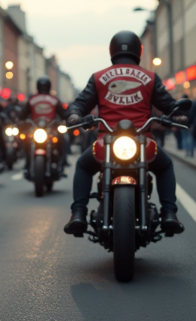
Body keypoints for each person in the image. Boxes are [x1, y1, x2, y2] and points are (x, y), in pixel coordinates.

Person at [64, 31, 185, 236]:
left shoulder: (99, 77)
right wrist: (179, 116)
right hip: (143, 142)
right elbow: (169, 104)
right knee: (165, 166)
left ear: (112, 51)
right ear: (138, 51)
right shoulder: (150, 77)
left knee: (83, 166)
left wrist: (75, 116)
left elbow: (80, 103)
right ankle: (169, 214)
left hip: (106, 142)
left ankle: (78, 214)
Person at [18, 77, 68, 173]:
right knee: (63, 140)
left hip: (37, 129)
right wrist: (66, 119)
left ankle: (27, 163)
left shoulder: (31, 100)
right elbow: (63, 113)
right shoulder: (55, 99)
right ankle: (63, 162)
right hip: (50, 130)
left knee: (26, 142)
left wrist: (20, 121)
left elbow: (22, 114)